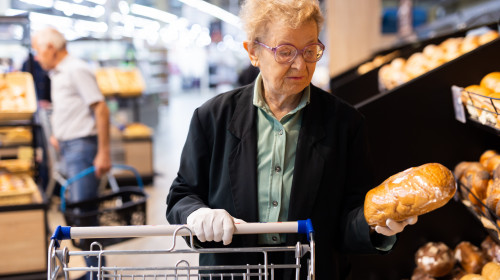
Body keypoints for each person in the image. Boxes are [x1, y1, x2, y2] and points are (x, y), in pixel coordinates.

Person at [166, 0, 418, 279]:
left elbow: (350, 213)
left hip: (309, 271)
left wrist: (375, 225)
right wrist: (198, 215)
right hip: (232, 270)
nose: (300, 64)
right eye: (285, 52)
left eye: (310, 50)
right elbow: (182, 195)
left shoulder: (345, 123)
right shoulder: (213, 117)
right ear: (253, 52)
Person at [31, 27, 111, 280]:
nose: (36, 56)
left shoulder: (76, 69)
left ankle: (98, 273)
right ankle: (95, 270)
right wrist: (58, 133)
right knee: (78, 215)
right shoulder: (58, 73)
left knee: (84, 216)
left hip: (82, 148)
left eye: (37, 49)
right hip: (69, 147)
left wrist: (104, 153)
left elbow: (101, 109)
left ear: (51, 48)